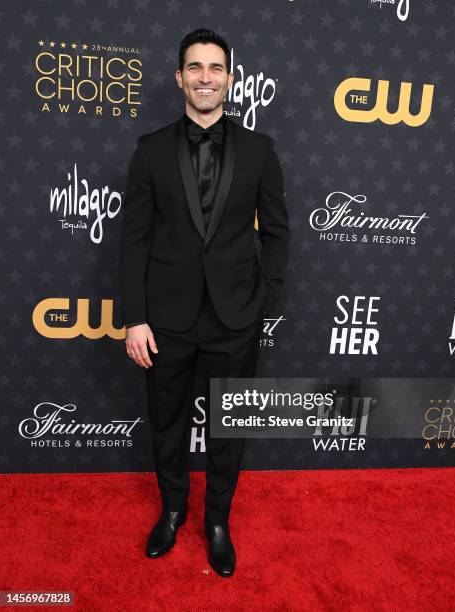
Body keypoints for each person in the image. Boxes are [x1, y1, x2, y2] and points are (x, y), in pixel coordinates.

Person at [118, 28, 289, 577]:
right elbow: (134, 241)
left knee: (228, 427)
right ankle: (171, 510)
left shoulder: (261, 151)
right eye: (195, 68)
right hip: (165, 319)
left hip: (235, 317)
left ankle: (217, 521)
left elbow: (278, 233)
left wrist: (265, 297)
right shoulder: (149, 152)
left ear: (230, 78)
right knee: (166, 421)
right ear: (179, 78)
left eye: (215, 68)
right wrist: (134, 318)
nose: (206, 78)